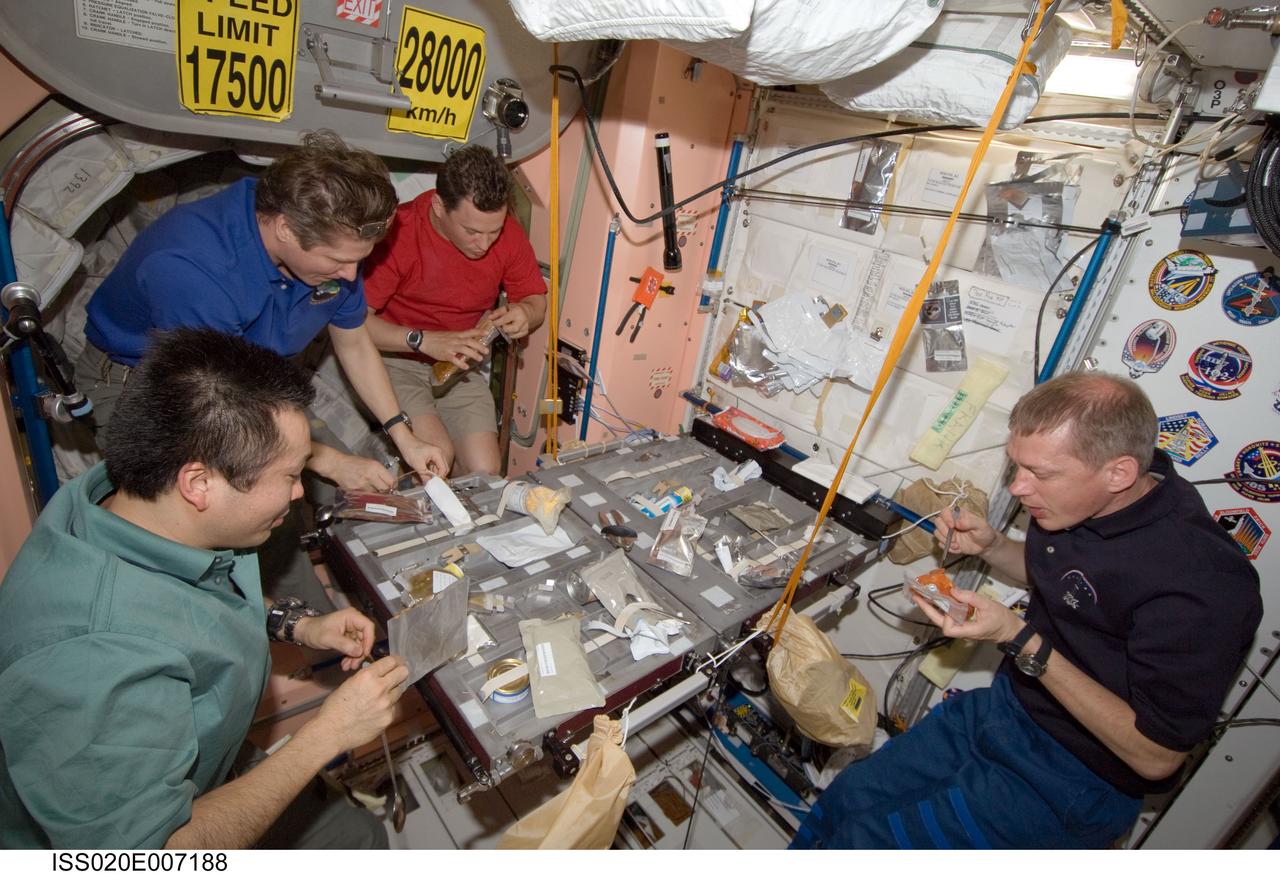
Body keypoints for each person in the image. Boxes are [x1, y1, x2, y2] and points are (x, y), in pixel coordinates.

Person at [791, 372, 1262, 849]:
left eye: (1041, 473)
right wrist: (993, 547)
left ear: (1118, 473)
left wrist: (1020, 639)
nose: (1017, 487)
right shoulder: (1086, 502)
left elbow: (1157, 755)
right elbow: (1070, 584)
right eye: (1016, 465)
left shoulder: (1203, 584)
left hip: (1070, 779)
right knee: (848, 799)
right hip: (1003, 712)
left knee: (869, 845)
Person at [0, 329, 409, 849]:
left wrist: (299, 625)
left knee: (356, 835)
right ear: (199, 484)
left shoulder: (133, 495)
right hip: (160, 829)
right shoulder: (90, 663)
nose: (299, 492)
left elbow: (193, 599)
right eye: (289, 476)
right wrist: (327, 735)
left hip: (201, 761)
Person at [76, 129, 446, 489]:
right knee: (228, 503)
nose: (351, 275)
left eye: (358, 260)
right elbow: (220, 404)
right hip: (160, 388)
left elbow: (353, 342)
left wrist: (404, 436)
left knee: (299, 496)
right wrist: (329, 462)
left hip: (252, 377)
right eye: (338, 261)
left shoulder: (335, 237)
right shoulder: (195, 270)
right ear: (285, 229)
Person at [362, 144, 547, 475]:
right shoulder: (398, 234)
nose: (484, 244)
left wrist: (525, 314)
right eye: (471, 231)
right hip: (395, 359)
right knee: (437, 458)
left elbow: (535, 300)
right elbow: (354, 325)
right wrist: (423, 340)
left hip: (459, 364)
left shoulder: (507, 234)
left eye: (493, 231)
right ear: (438, 206)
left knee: (484, 470)